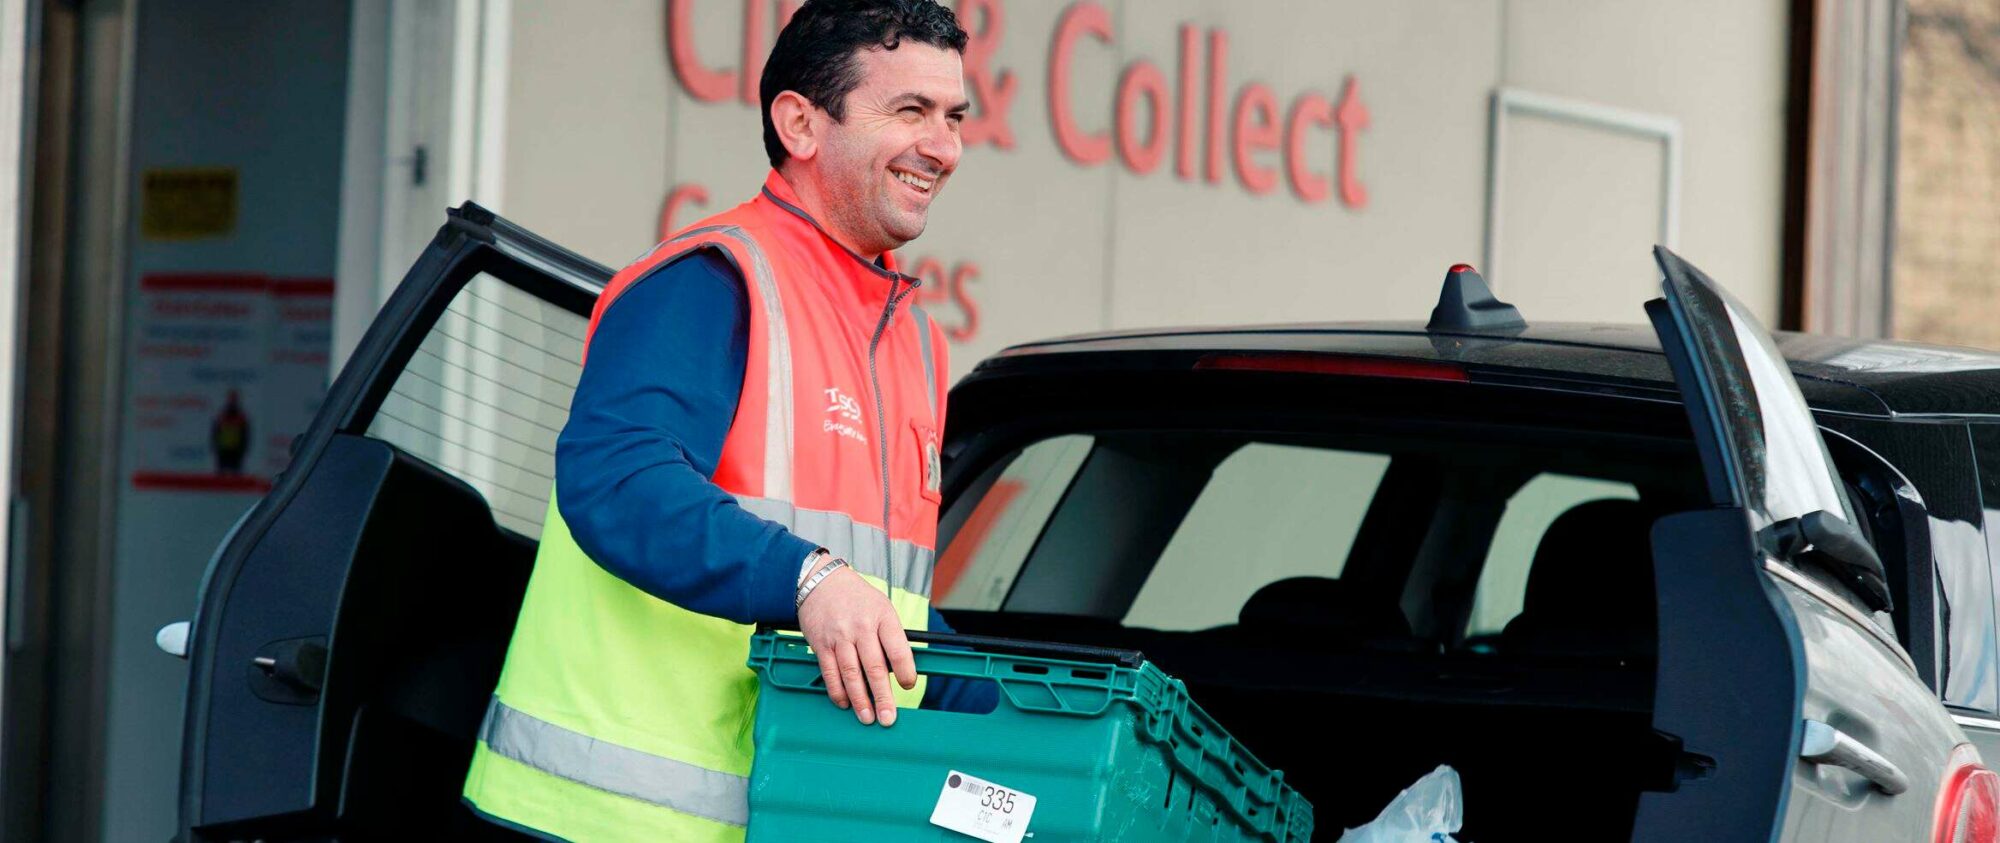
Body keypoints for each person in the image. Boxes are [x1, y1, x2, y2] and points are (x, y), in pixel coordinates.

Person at [462, 2, 994, 840]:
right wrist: (809, 579)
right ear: (800, 124)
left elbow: (884, 601)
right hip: (600, 822)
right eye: (911, 113)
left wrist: (1020, 700)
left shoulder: (913, 341)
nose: (943, 146)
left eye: (954, 118)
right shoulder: (713, 281)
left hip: (774, 814)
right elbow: (618, 483)